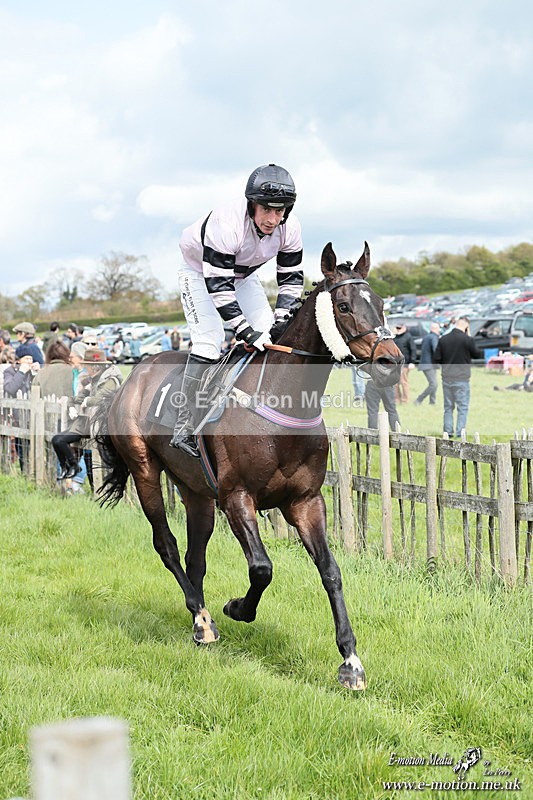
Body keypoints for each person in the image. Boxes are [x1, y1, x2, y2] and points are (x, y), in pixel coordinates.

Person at [170, 163, 303, 456]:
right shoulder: (227, 223)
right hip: (199, 272)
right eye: (267, 209)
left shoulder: (290, 228)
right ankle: (184, 424)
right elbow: (219, 288)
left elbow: (291, 279)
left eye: (280, 211)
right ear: (252, 205)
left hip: (244, 276)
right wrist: (244, 330)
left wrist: (282, 319)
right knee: (209, 340)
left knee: (271, 336)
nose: (273, 218)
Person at [52, 348, 123, 480]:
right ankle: (68, 467)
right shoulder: (93, 380)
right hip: (87, 424)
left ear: (94, 367)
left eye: (87, 366)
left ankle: (75, 469)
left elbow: (102, 399)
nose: (85, 368)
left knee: (102, 463)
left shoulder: (110, 380)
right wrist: (70, 403)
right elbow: (78, 398)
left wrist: (87, 401)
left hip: (103, 426)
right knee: (57, 440)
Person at [433, 316, 482, 438]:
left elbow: (436, 358)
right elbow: (477, 354)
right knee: (463, 407)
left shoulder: (443, 339)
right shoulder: (467, 339)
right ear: (466, 325)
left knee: (448, 407)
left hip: (447, 377)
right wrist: (469, 336)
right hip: (462, 378)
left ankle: (448, 432)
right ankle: (460, 432)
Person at [415, 322, 440, 406]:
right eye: (438, 328)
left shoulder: (426, 337)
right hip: (429, 364)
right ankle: (419, 399)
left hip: (427, 364)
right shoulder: (434, 337)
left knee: (434, 384)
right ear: (436, 329)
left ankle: (432, 402)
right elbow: (435, 349)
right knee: (433, 384)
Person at [393, 324, 416, 404]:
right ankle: (397, 399)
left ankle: (405, 400)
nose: (398, 329)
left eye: (400, 327)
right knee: (395, 383)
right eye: (397, 327)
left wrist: (412, 362)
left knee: (403, 382)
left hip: (405, 363)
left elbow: (413, 349)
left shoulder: (408, 336)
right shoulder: (394, 337)